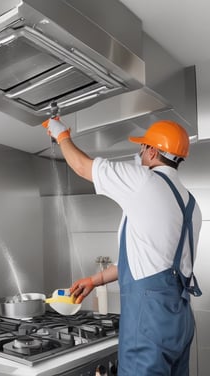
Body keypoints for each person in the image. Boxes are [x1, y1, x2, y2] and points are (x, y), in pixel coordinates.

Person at [42, 118, 202, 376]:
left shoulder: (143, 181)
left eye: (142, 149)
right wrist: (96, 279)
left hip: (148, 322)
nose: (139, 155)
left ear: (152, 151)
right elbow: (152, 261)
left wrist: (61, 135)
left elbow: (83, 167)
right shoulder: (191, 204)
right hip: (180, 320)